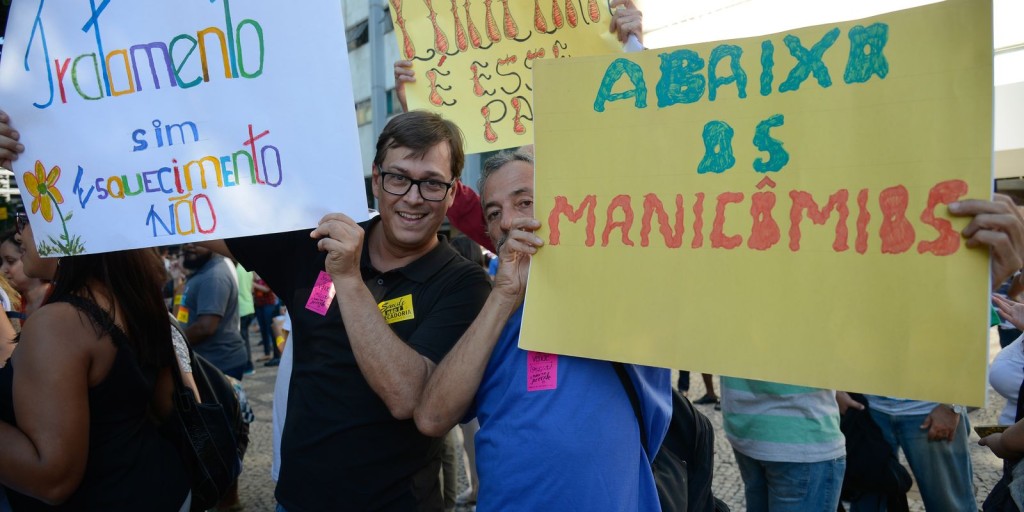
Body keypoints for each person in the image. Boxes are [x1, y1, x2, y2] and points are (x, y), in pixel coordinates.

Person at [200, 110, 491, 511]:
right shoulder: (319, 240)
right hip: (298, 501)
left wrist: (349, 279)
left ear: (453, 192)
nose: (412, 197)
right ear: (376, 179)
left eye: (431, 183)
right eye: (398, 177)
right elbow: (201, 225)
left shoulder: (465, 284)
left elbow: (406, 397)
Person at [414, 149, 673, 510]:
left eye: (525, 202)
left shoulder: (617, 297)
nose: (508, 221)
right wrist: (503, 299)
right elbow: (432, 418)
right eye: (494, 213)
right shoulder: (490, 312)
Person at [0, 212, 191, 509]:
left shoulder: (60, 323)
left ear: (70, 224)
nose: (18, 232)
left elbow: (52, 480)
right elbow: (164, 405)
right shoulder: (131, 299)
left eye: (26, 218)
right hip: (160, 487)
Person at [177, 243, 249, 380]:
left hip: (219, 363)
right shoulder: (202, 270)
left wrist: (174, 342)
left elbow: (205, 327)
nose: (189, 245)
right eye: (185, 241)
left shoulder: (214, 276)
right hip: (209, 361)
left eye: (196, 241)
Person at [0, 229, 49, 319]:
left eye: (10, 261)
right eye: (1, 263)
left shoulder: (56, 300)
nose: (2, 270)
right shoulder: (16, 302)